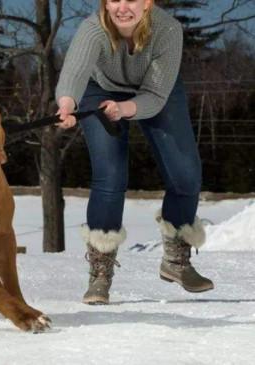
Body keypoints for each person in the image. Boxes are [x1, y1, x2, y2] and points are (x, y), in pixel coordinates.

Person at [55, 0, 213, 305]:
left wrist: (125, 109)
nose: (122, 7)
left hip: (156, 90)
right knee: (110, 176)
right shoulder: (93, 29)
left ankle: (176, 260)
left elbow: (155, 95)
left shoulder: (167, 30)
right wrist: (66, 105)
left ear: (148, 3)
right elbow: (74, 72)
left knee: (186, 174)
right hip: (98, 88)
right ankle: (100, 271)